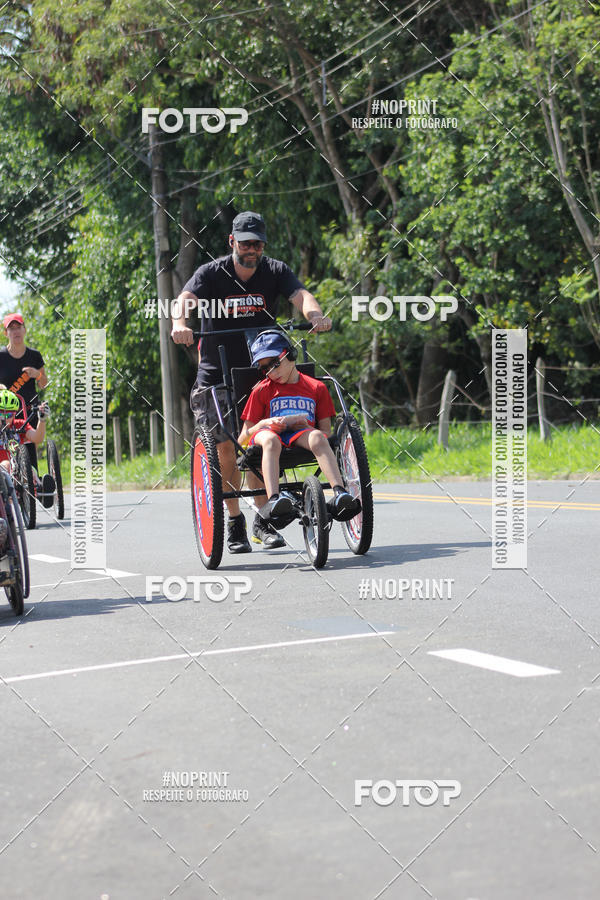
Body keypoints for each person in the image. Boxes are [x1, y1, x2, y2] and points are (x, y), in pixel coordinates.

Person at [171, 210, 332, 553]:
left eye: (257, 244)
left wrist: (315, 315)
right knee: (226, 447)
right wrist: (180, 324)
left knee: (260, 442)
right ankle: (234, 521)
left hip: (262, 371)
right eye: (245, 243)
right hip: (217, 374)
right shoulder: (211, 273)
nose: (251, 250)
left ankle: (264, 518)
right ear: (232, 242)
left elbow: (300, 295)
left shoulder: (274, 270)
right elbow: (185, 299)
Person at [238, 331, 361, 523]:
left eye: (275, 364)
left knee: (317, 437)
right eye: (265, 369)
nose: (271, 372)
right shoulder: (262, 390)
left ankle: (339, 493)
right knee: (271, 440)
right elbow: (243, 438)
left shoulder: (316, 388)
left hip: (300, 434)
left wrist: (304, 426)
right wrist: (264, 423)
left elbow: (326, 432)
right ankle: (274, 499)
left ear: (291, 355)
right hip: (267, 434)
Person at [0, 313, 48, 467]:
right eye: (11, 328)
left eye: (18, 327)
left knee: (30, 456)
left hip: (29, 410)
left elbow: (44, 384)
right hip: (5, 412)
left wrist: (37, 374)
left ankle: (32, 478)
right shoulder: (1, 356)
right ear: (6, 333)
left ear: (24, 330)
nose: (16, 331)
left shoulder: (34, 355)